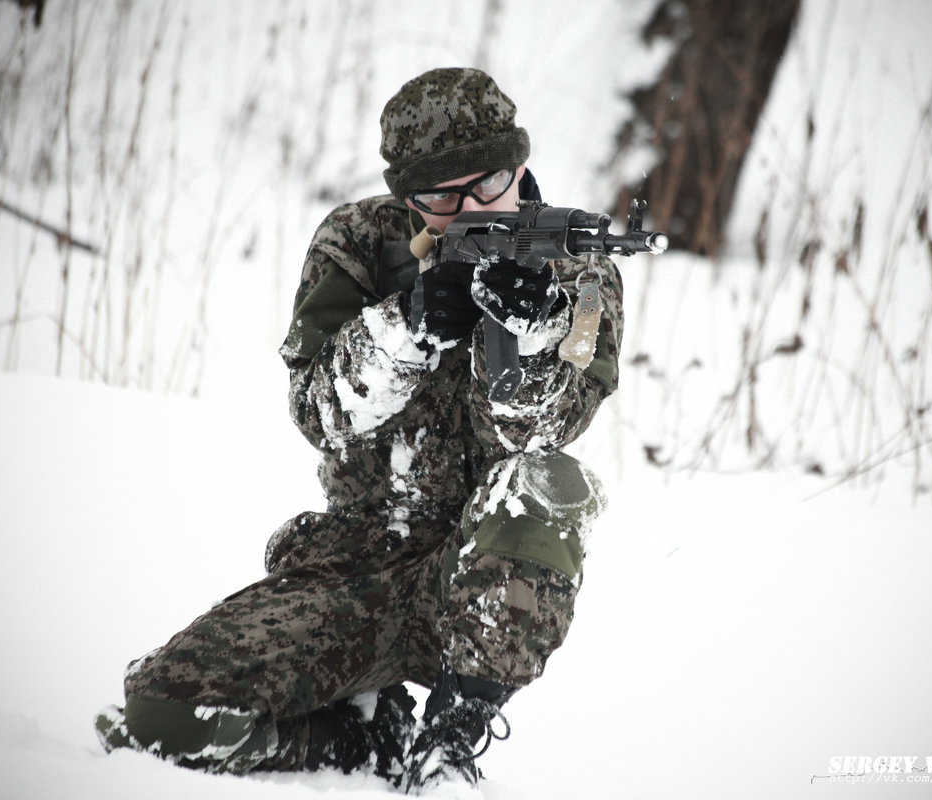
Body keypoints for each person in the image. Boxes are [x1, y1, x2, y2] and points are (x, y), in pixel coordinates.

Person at [95, 66, 624, 793]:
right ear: (406, 194)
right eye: (442, 195)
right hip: (358, 563)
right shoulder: (357, 240)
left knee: (544, 485)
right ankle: (364, 738)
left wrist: (526, 336)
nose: (470, 207)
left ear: (520, 166)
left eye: (490, 183)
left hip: (478, 575)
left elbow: (544, 432)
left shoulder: (576, 266)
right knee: (163, 715)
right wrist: (408, 328)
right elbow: (319, 414)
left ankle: (451, 739)